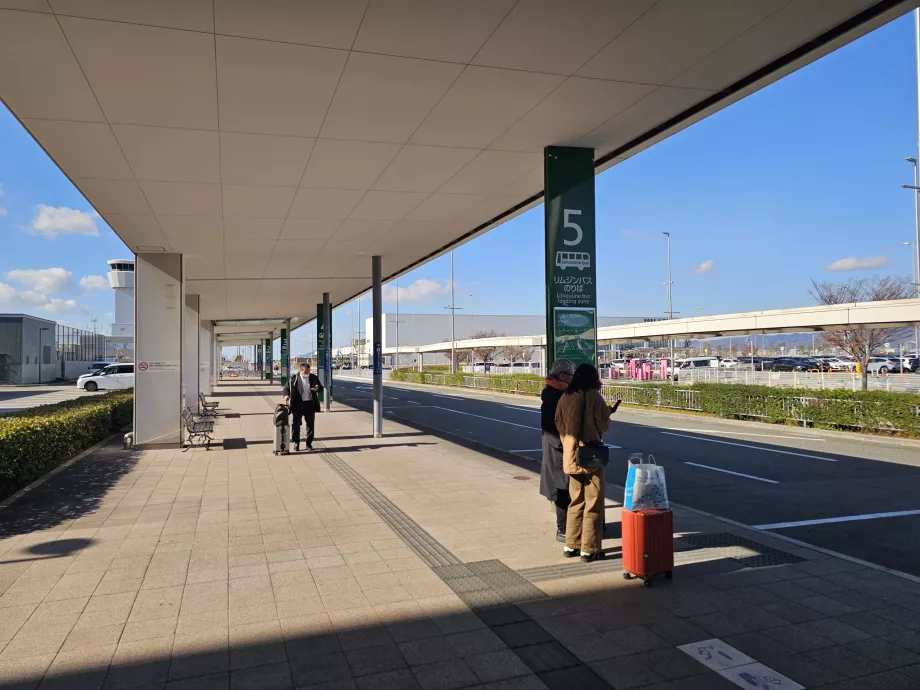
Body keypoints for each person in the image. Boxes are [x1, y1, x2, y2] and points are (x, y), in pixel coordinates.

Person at [555, 363, 612, 563]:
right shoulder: (594, 396)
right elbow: (603, 425)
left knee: (575, 501)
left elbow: (559, 423)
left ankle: (571, 545)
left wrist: (568, 444)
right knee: (593, 503)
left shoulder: (566, 397)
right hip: (591, 456)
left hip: (571, 455)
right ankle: (590, 548)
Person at [539, 359, 575, 543]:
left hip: (558, 449)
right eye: (571, 375)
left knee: (564, 489)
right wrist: (565, 445)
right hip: (558, 451)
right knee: (561, 490)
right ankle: (562, 529)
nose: (572, 379)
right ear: (562, 375)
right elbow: (550, 427)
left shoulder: (554, 394)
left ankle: (567, 527)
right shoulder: (554, 396)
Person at [283, 362, 323, 452]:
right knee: (296, 425)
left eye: (309, 371)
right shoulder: (294, 378)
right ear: (301, 370)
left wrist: (317, 388)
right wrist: (286, 395)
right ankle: (296, 443)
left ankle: (309, 443)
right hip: (297, 405)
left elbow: (320, 387)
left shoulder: (313, 377)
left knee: (310, 425)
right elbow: (286, 388)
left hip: (309, 404)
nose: (308, 373)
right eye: (306, 371)